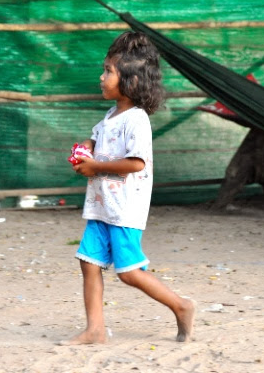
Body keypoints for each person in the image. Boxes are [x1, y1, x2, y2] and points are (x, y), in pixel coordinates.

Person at [63, 31, 195, 345]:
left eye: (108, 71)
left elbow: (137, 163)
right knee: (88, 262)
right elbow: (96, 138)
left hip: (124, 209)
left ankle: (181, 305)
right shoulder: (112, 115)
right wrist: (86, 147)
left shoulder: (136, 120)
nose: (101, 77)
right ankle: (95, 330)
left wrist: (95, 166)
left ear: (131, 82)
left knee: (128, 272)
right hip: (102, 206)